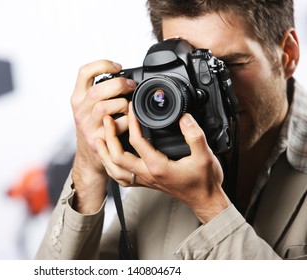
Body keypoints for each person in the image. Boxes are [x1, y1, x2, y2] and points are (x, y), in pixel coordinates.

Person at [36, 0, 307, 259]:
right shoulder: (160, 158)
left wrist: (210, 206)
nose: (213, 90)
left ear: (288, 55)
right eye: (189, 70)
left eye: (230, 65)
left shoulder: (166, 171)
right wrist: (88, 170)